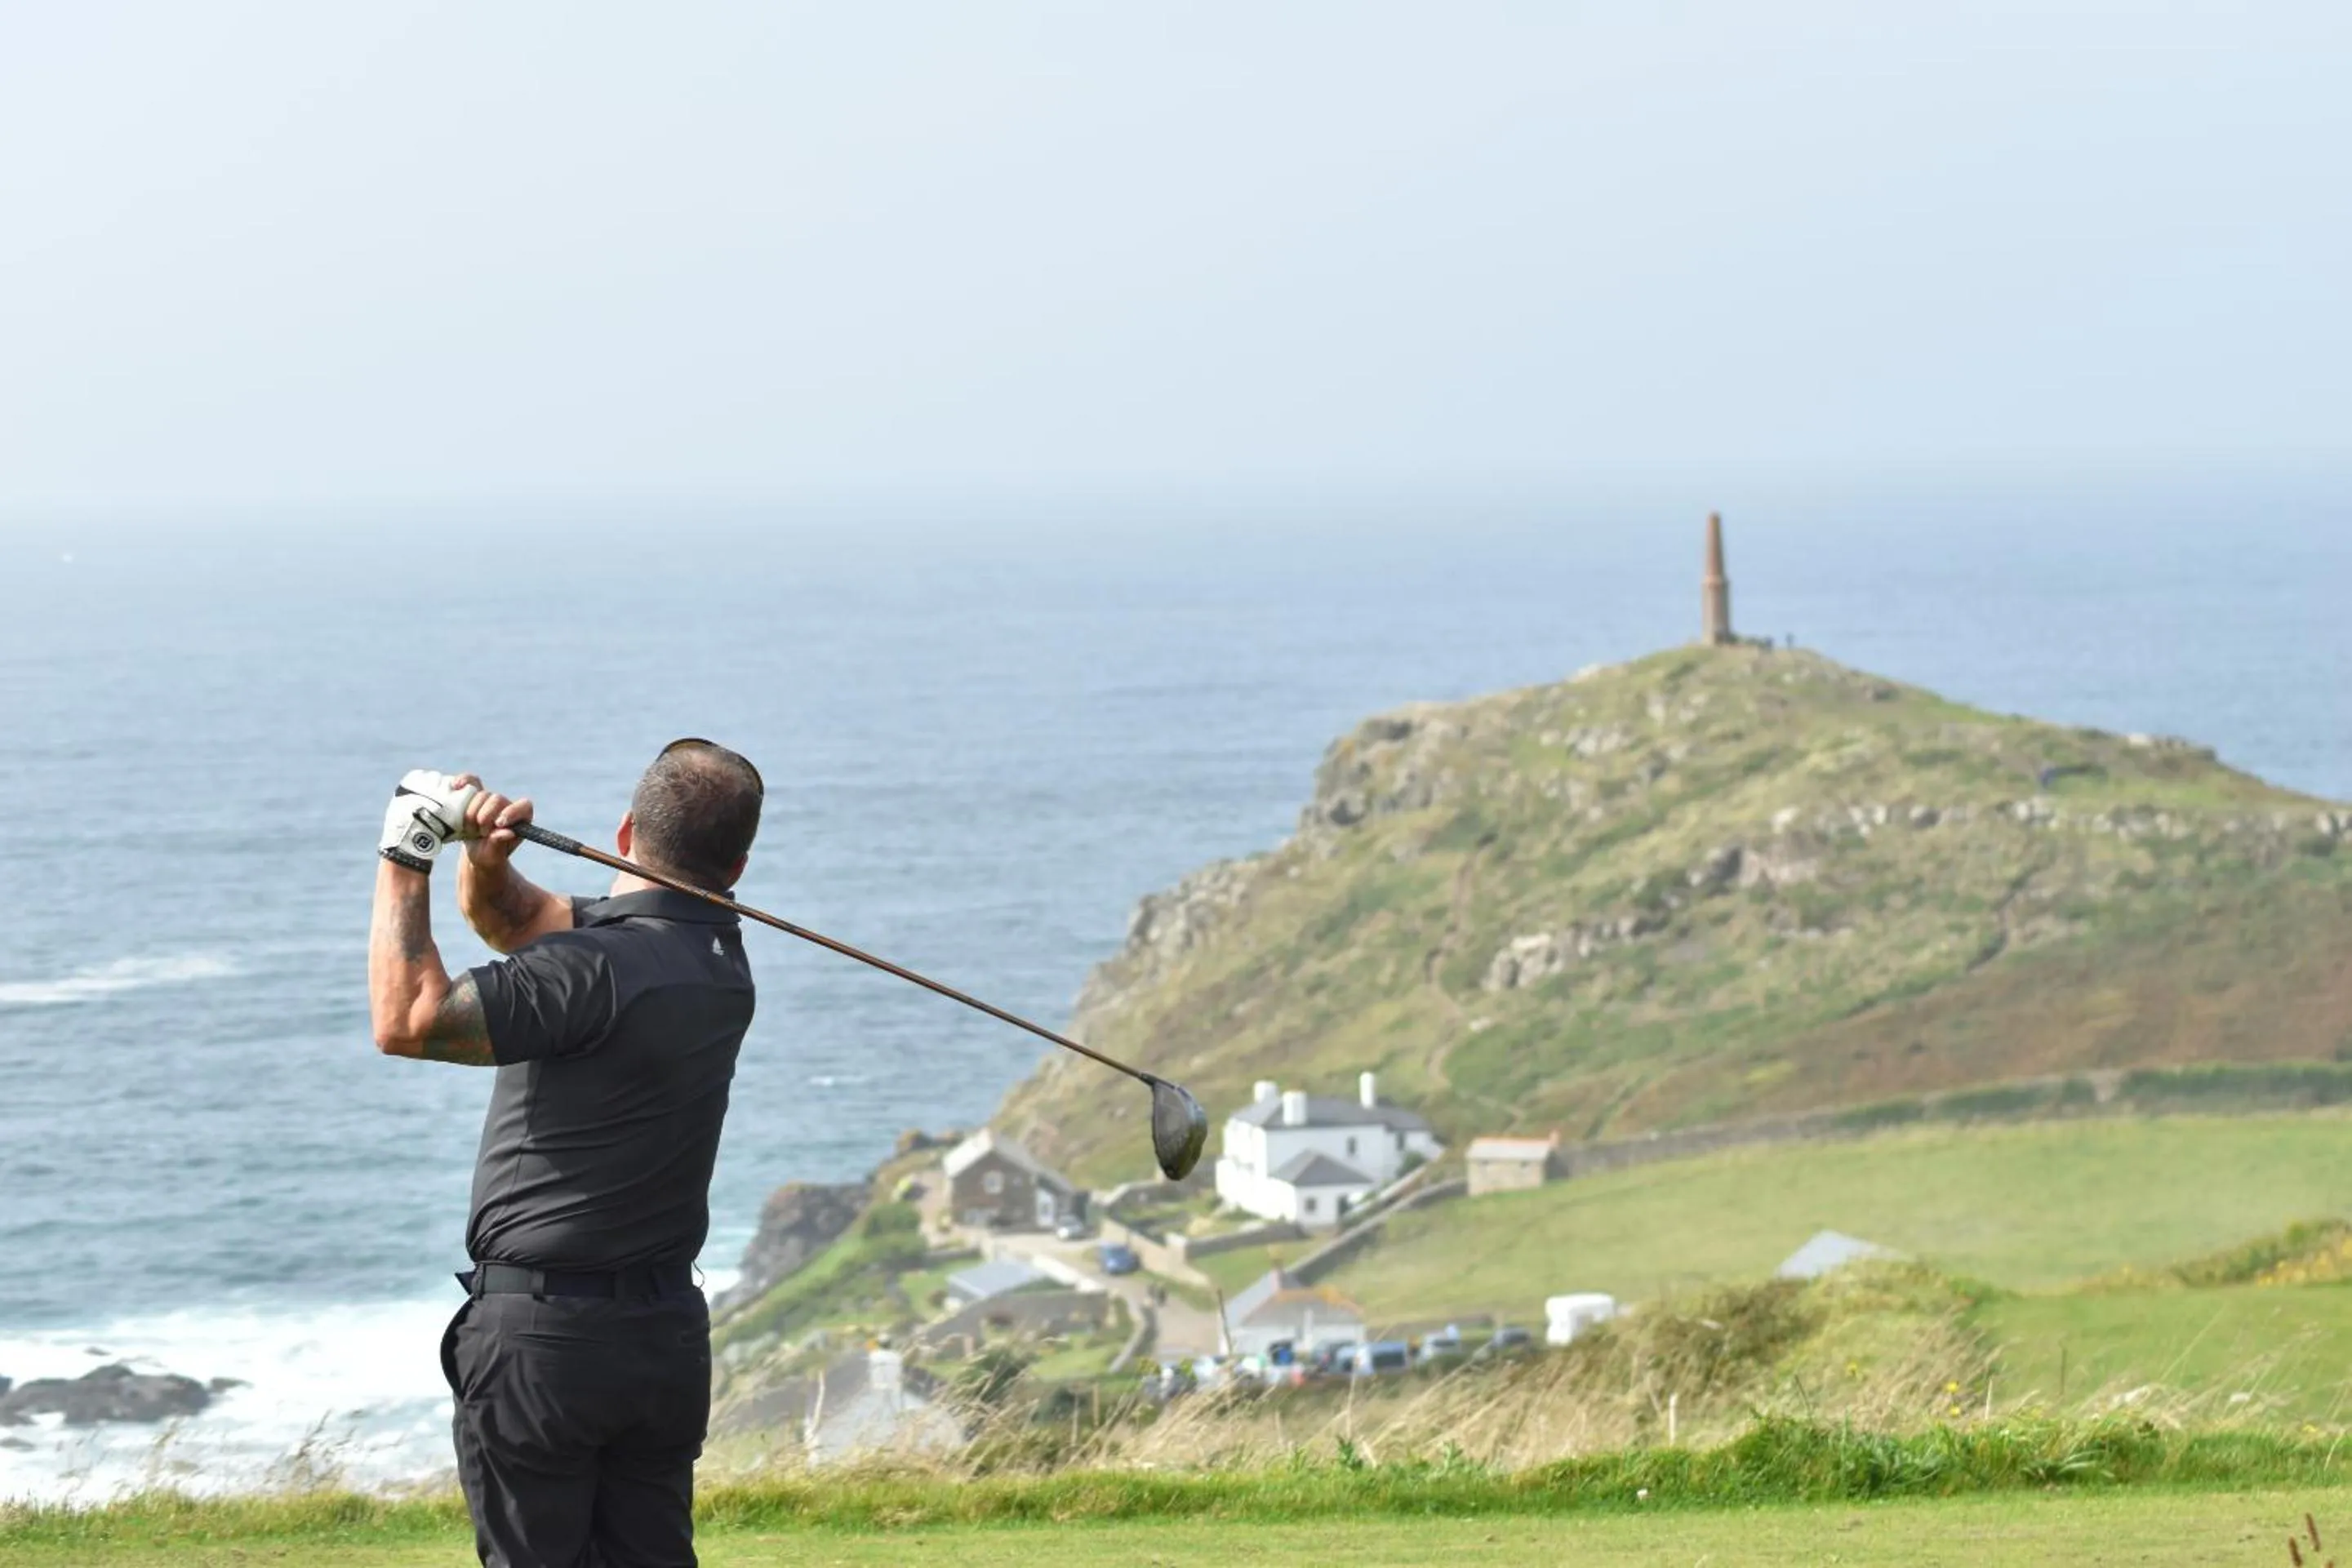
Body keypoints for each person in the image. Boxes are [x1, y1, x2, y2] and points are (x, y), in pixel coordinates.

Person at [367, 739, 765, 1568]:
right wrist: (484, 858)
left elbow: (407, 1020)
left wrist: (408, 854)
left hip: (546, 1347)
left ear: (624, 832)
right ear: (738, 865)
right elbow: (518, 925)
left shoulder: (589, 969)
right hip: (661, 1340)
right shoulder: (719, 960)